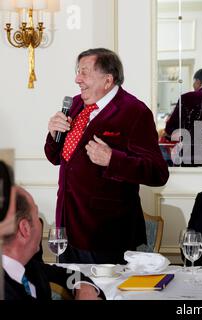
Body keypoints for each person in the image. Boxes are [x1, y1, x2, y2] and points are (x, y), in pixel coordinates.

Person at [45, 48, 169, 264]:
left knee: (104, 296)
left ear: (108, 80)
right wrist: (53, 133)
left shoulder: (134, 112)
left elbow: (158, 173)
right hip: (66, 229)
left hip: (107, 236)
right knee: (72, 293)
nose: (77, 79)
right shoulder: (74, 104)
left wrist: (113, 160)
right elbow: (57, 158)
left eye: (84, 72)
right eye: (77, 72)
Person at [2, 186, 104, 300]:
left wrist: (84, 288)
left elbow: (66, 273)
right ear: (25, 228)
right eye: (36, 215)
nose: (40, 223)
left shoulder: (26, 264)